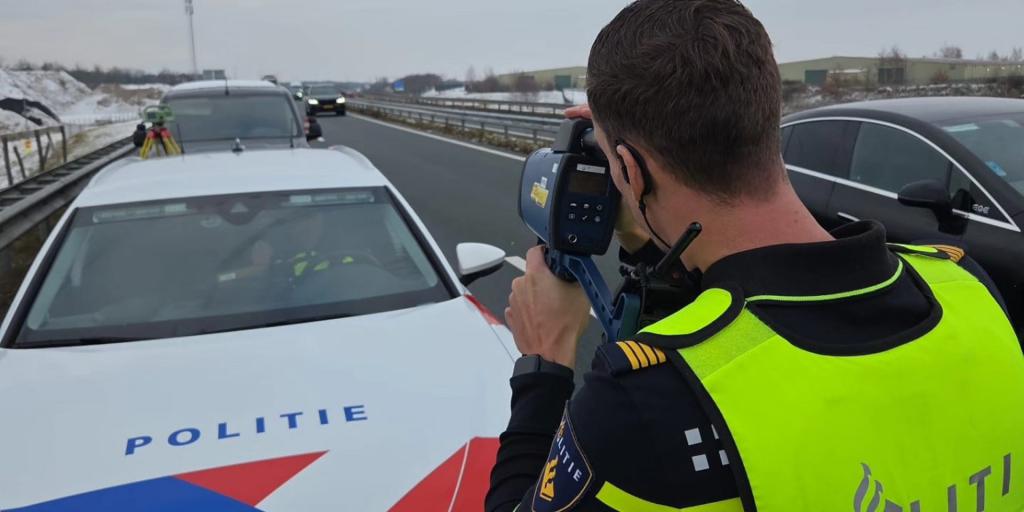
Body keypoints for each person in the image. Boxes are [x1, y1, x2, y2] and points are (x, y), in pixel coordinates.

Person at [485, 1, 1024, 511]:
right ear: (765, 112)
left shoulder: (642, 400)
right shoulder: (966, 286)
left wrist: (545, 361)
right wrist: (651, 241)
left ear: (628, 170)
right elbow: (767, 310)